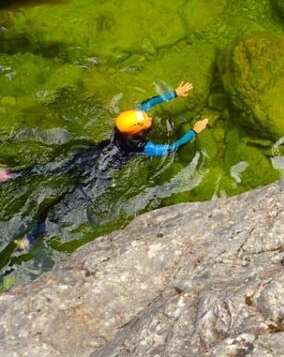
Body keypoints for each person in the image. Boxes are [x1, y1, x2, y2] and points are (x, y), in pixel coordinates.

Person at [0, 81, 208, 250]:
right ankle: (31, 238)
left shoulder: (122, 124)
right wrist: (194, 131)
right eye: (146, 122)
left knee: (52, 167)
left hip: (92, 154)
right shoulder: (141, 145)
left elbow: (146, 104)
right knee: (70, 204)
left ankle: (9, 175)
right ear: (136, 132)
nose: (149, 117)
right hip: (101, 173)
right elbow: (171, 149)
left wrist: (174, 93)